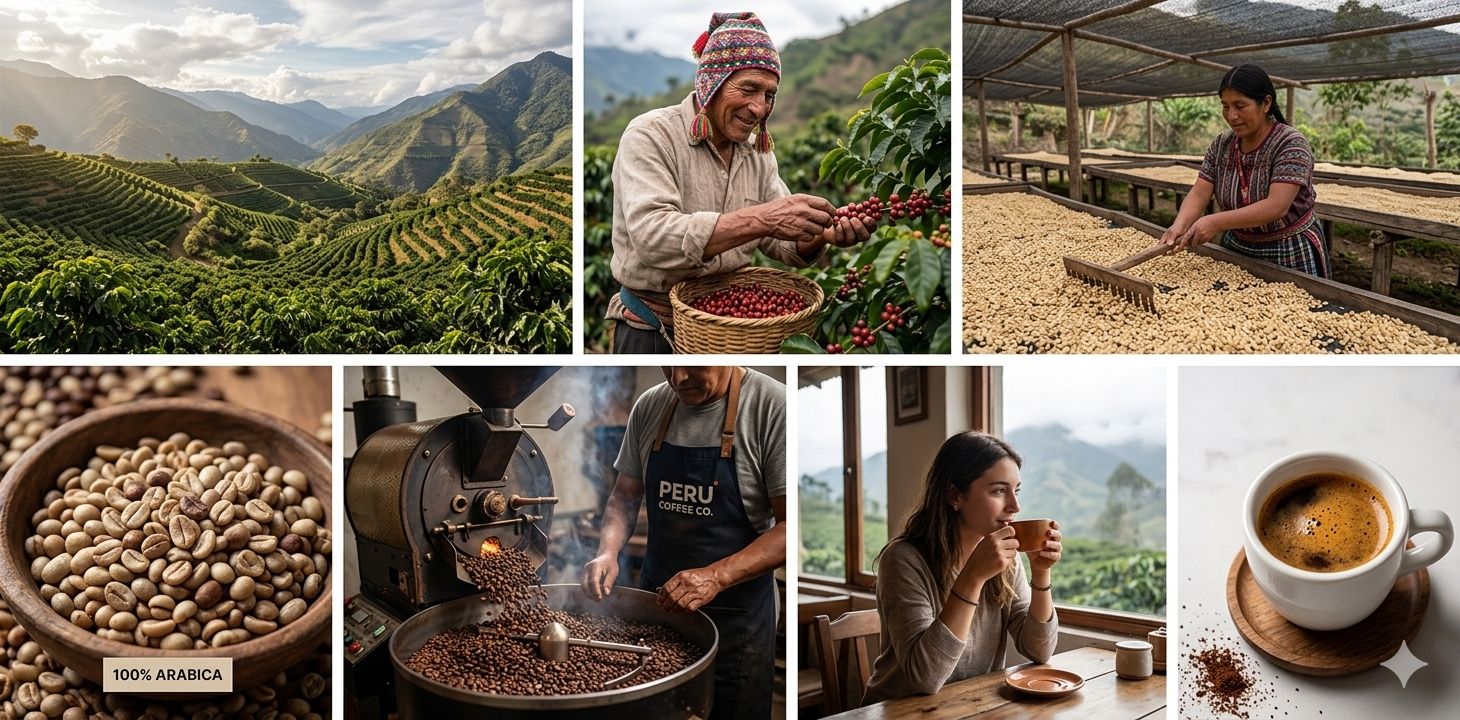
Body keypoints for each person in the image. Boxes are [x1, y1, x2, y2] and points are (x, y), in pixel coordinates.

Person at [606, 12, 874, 353]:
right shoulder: (651, 136)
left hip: (732, 331)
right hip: (652, 328)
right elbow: (653, 237)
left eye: (769, 95)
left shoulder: (757, 154)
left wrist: (822, 234)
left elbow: (784, 245)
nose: (760, 108)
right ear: (711, 84)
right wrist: (764, 218)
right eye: (748, 89)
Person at [583, 366, 786, 720]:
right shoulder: (650, 406)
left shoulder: (770, 405)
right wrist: (607, 551)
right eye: (668, 366)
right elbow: (624, 496)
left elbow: (789, 528)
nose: (678, 379)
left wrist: (716, 576)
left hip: (736, 622)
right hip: (658, 610)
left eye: (693, 366)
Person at [864, 431, 1061, 703]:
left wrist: (1041, 572)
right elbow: (925, 676)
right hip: (901, 710)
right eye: (999, 491)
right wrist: (973, 577)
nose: (1015, 506)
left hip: (971, 706)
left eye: (1016, 491)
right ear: (955, 495)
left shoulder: (1007, 558)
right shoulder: (902, 559)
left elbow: (1039, 650)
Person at [1160, 64, 1329, 277]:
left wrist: (1214, 221)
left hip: (1287, 248)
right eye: (1225, 106)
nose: (1232, 116)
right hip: (1238, 243)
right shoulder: (1222, 145)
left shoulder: (1290, 144)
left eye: (1240, 106)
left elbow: (1276, 206)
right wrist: (1179, 225)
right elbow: (1200, 192)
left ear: (1266, 103)